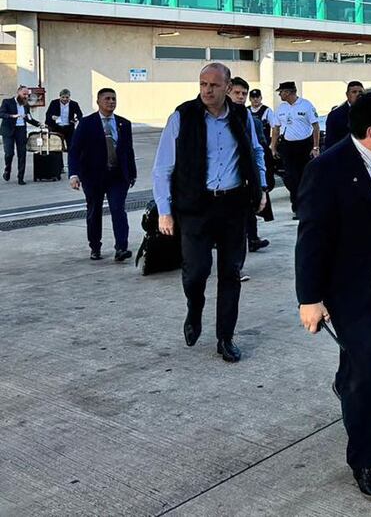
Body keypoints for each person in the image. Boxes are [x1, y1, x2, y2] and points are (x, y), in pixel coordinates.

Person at [296, 91, 371, 499]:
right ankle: (366, 460)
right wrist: (310, 299)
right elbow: (311, 238)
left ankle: (345, 379)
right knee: (367, 376)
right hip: (349, 288)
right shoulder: (328, 169)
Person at [152, 63, 268, 363]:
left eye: (214, 85)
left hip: (232, 205)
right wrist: (164, 211)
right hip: (194, 207)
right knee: (196, 272)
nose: (207, 90)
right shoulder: (182, 116)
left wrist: (262, 186)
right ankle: (195, 306)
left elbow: (255, 152)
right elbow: (162, 167)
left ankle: (225, 338)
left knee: (231, 272)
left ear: (228, 87)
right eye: (203, 83)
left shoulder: (242, 116)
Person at [68, 88, 137, 261]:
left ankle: (121, 247)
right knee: (94, 212)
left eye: (114, 99)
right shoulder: (86, 123)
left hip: (118, 176)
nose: (111, 102)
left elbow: (128, 150)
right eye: (107, 99)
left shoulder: (124, 123)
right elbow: (74, 150)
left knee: (118, 210)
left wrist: (132, 173)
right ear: (98, 101)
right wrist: (73, 174)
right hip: (93, 177)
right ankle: (95, 247)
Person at [229, 77, 270, 261]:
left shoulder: (247, 118)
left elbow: (257, 148)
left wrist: (261, 183)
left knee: (243, 220)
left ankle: (237, 266)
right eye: (236, 93)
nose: (241, 97)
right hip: (214, 187)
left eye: (243, 94)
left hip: (242, 180)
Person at [270, 81, 320, 218]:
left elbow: (316, 126)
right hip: (288, 146)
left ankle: (307, 206)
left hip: (304, 146)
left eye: (282, 92)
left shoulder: (306, 105)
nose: (280, 94)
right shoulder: (281, 108)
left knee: (305, 177)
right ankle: (297, 207)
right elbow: (275, 128)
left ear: (289, 92)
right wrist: (273, 147)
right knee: (291, 178)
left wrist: (315, 147)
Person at [1, 85, 41, 184]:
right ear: (18, 92)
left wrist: (39, 124)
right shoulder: (7, 102)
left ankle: (20, 177)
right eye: (24, 94)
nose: (26, 96)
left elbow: (28, 118)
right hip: (8, 130)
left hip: (21, 131)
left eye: (27, 95)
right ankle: (7, 169)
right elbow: (1, 113)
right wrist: (12, 116)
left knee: (22, 154)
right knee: (9, 153)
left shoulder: (26, 105)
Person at [323, 80, 364, 151]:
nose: (358, 94)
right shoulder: (336, 115)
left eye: (360, 92)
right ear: (347, 94)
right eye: (354, 92)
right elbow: (330, 141)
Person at [45, 88, 84, 154]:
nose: (65, 99)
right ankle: (58, 163)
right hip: (57, 127)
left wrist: (75, 119)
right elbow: (48, 114)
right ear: (60, 97)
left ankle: (71, 162)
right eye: (63, 97)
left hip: (69, 127)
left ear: (69, 97)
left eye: (67, 97)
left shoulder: (74, 104)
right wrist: (52, 117)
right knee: (56, 147)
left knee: (71, 147)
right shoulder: (54, 103)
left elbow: (80, 114)